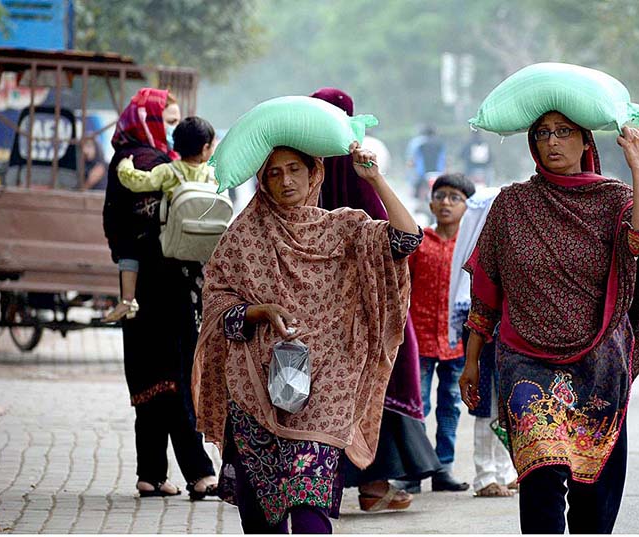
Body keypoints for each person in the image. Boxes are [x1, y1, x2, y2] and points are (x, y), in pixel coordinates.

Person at [192, 139, 423, 533]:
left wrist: (374, 178)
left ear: (314, 171)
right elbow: (215, 307)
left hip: (328, 382)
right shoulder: (243, 237)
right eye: (274, 173)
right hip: (256, 386)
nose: (286, 181)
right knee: (260, 510)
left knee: (308, 495)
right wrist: (259, 312)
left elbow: (406, 240)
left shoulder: (344, 228)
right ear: (262, 180)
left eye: (295, 169)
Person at [459, 111, 639, 533]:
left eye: (563, 132)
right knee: (540, 475)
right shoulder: (512, 204)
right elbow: (487, 291)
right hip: (525, 362)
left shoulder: (613, 200)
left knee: (594, 487)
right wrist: (472, 360)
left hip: (599, 364)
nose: (552, 142)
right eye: (541, 134)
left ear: (586, 141)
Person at [310, 87, 441, 512]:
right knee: (376, 383)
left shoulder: (296, 165)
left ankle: (318, 490)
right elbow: (398, 239)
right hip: (366, 305)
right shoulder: (354, 166)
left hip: (312, 305)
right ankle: (374, 485)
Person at [102, 88, 217, 500]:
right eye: (167, 121)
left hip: (136, 290)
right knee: (175, 382)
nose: (173, 131)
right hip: (166, 290)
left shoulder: (128, 159)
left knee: (150, 381)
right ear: (147, 120)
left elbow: (119, 232)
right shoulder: (157, 165)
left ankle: (150, 473)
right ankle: (200, 473)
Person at [400, 173, 475, 494]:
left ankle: (443, 467)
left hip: (457, 343)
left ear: (468, 208)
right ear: (430, 203)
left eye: (455, 198)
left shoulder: (471, 248)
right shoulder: (419, 243)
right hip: (419, 340)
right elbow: (402, 286)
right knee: (417, 406)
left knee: (450, 405)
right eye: (441, 196)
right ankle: (414, 469)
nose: (446, 203)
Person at [103, 116, 217, 323]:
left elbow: (139, 182)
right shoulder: (212, 174)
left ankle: (127, 300)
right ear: (206, 148)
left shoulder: (169, 171)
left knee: (131, 250)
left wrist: (125, 167)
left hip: (172, 242)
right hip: (204, 245)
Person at [448, 186, 517, 498]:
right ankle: (485, 475)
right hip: (487, 341)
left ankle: (507, 472)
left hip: (511, 340)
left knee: (511, 407)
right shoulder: (472, 278)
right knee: (486, 408)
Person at [408, 125, 447, 201]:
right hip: (438, 172)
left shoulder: (420, 146)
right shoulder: (440, 145)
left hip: (424, 174)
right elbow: (443, 159)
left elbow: (416, 160)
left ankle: (421, 203)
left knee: (418, 190)